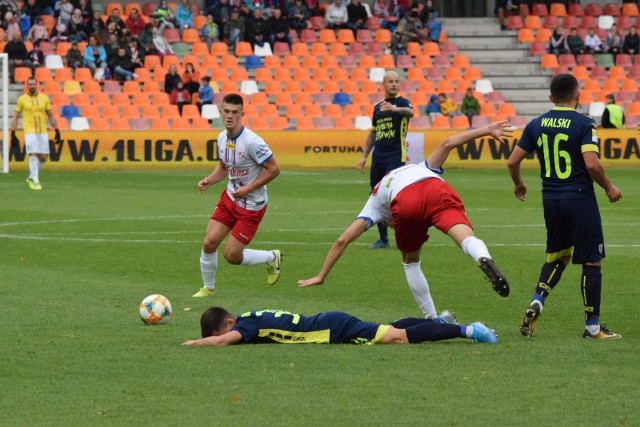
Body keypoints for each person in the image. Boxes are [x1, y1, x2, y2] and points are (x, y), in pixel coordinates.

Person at [298, 122, 513, 319]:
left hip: (405, 200)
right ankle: (483, 257)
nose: (392, 226)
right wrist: (487, 130)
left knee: (411, 261)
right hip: (436, 188)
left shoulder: (374, 200)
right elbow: (448, 143)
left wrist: (321, 275)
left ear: (386, 220)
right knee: (466, 238)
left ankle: (431, 318)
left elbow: (342, 241)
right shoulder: (421, 166)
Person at [507, 74, 622, 340]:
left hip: (551, 199)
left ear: (551, 98)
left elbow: (512, 162)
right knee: (592, 259)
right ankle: (593, 326)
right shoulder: (584, 122)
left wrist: (519, 184)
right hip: (580, 197)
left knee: (558, 256)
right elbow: (591, 163)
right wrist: (608, 187)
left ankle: (538, 300)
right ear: (577, 95)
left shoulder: (536, 123)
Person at [192, 93, 282, 297]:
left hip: (251, 205)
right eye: (226, 111)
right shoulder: (222, 138)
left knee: (231, 255)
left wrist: (248, 189)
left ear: (242, 114)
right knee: (209, 242)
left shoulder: (253, 142)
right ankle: (208, 288)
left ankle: (271, 257)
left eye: (234, 112)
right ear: (221, 112)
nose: (230, 116)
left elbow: (274, 169)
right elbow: (224, 168)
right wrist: (209, 180)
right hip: (231, 198)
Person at [181, 306, 498, 346]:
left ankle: (469, 330)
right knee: (386, 328)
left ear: (228, 323)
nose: (227, 339)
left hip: (332, 330)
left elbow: (222, 342)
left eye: (221, 333)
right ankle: (438, 323)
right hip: (329, 323)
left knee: (397, 338)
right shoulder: (250, 319)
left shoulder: (246, 327)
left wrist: (194, 343)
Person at [357, 71, 414, 250]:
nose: (394, 84)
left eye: (397, 81)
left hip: (396, 156)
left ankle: (406, 235)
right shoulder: (378, 107)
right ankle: (383, 239)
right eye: (390, 81)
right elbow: (373, 132)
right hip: (378, 157)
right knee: (376, 195)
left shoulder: (402, 103)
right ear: (384, 84)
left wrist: (395, 109)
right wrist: (364, 155)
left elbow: (410, 113)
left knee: (395, 197)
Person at [10, 77, 61, 191]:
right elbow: (16, 116)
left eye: (34, 84)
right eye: (30, 84)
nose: (32, 86)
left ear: (37, 85)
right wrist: (13, 132)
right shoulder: (22, 99)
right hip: (29, 131)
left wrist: (56, 129)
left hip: (42, 131)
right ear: (27, 85)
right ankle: (36, 181)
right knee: (32, 154)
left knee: (43, 157)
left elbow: (51, 115)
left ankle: (31, 176)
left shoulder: (44, 98)